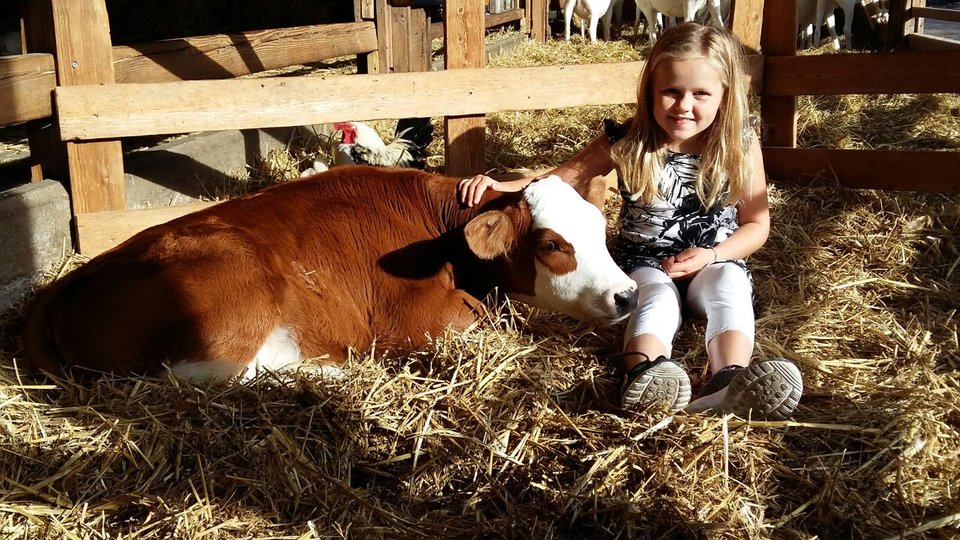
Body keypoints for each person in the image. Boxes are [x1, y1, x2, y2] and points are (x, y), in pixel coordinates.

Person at [458, 22, 802, 420]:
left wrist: (712, 254)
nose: (683, 106)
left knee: (730, 287)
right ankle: (647, 374)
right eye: (670, 91)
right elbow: (560, 178)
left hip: (713, 260)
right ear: (650, 91)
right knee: (651, 299)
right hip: (645, 263)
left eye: (701, 94)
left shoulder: (740, 144)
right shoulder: (629, 140)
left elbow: (756, 226)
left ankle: (728, 380)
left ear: (725, 96)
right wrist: (499, 186)